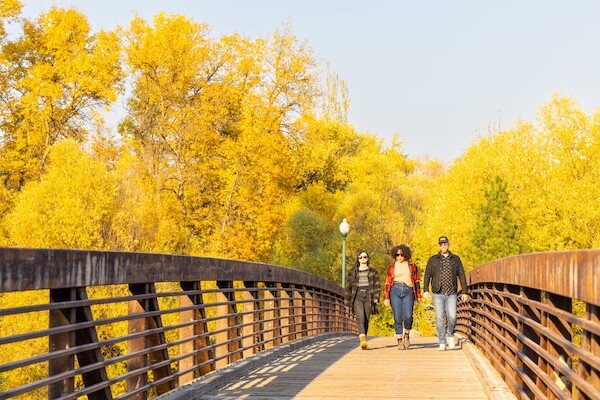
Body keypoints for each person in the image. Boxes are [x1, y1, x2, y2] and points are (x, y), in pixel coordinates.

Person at [423, 235, 469, 351]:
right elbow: (427, 275)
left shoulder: (455, 259)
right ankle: (442, 341)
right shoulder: (433, 259)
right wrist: (425, 290)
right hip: (438, 293)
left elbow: (461, 275)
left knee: (452, 317)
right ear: (439, 246)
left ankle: (450, 335)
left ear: (448, 244)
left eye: (445, 244)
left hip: (451, 293)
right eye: (441, 244)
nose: (443, 246)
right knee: (440, 318)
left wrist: (464, 291)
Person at [383, 244, 421, 350]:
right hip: (395, 290)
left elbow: (417, 281)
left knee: (408, 316)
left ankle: (407, 334)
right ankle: (399, 340)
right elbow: (387, 282)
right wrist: (386, 297)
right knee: (397, 316)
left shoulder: (412, 265)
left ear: (406, 255)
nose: (399, 257)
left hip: (408, 291)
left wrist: (418, 296)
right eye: (397, 255)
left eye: (401, 255)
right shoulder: (391, 266)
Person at [345, 250, 381, 350]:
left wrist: (376, 297)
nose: (362, 259)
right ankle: (362, 340)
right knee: (360, 317)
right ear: (358, 259)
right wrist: (347, 301)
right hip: (357, 296)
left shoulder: (373, 271)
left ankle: (364, 338)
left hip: (368, 296)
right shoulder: (353, 272)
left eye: (364, 257)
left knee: (366, 318)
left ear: (368, 259)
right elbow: (348, 287)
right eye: (360, 257)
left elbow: (377, 285)